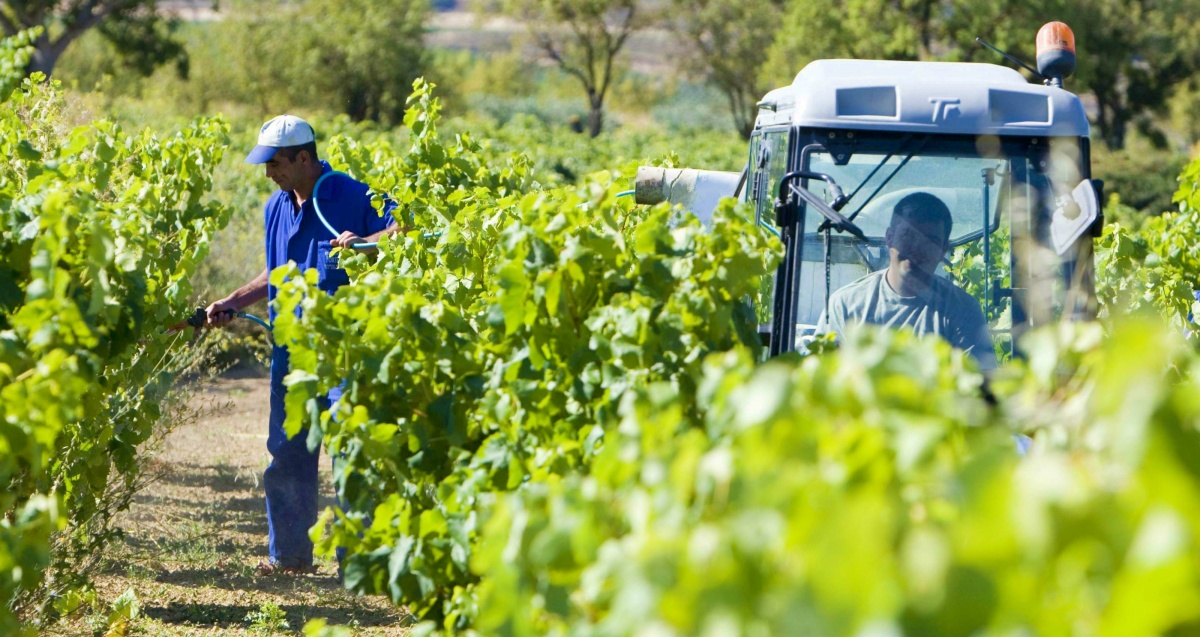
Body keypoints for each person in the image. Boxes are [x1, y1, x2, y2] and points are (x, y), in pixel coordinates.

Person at [205, 115, 401, 576]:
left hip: (344, 350)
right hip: (290, 353)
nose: (268, 173)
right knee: (287, 450)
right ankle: (289, 557)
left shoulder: (353, 195)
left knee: (352, 450)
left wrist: (366, 242)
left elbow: (403, 230)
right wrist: (233, 301)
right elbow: (277, 273)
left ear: (304, 158)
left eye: (274, 164)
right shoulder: (276, 206)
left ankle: (361, 566)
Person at [826, 192, 998, 371]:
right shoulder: (846, 305)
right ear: (889, 238)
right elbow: (824, 380)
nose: (917, 248)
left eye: (930, 241)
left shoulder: (961, 309)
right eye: (908, 235)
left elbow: (980, 384)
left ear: (943, 250)